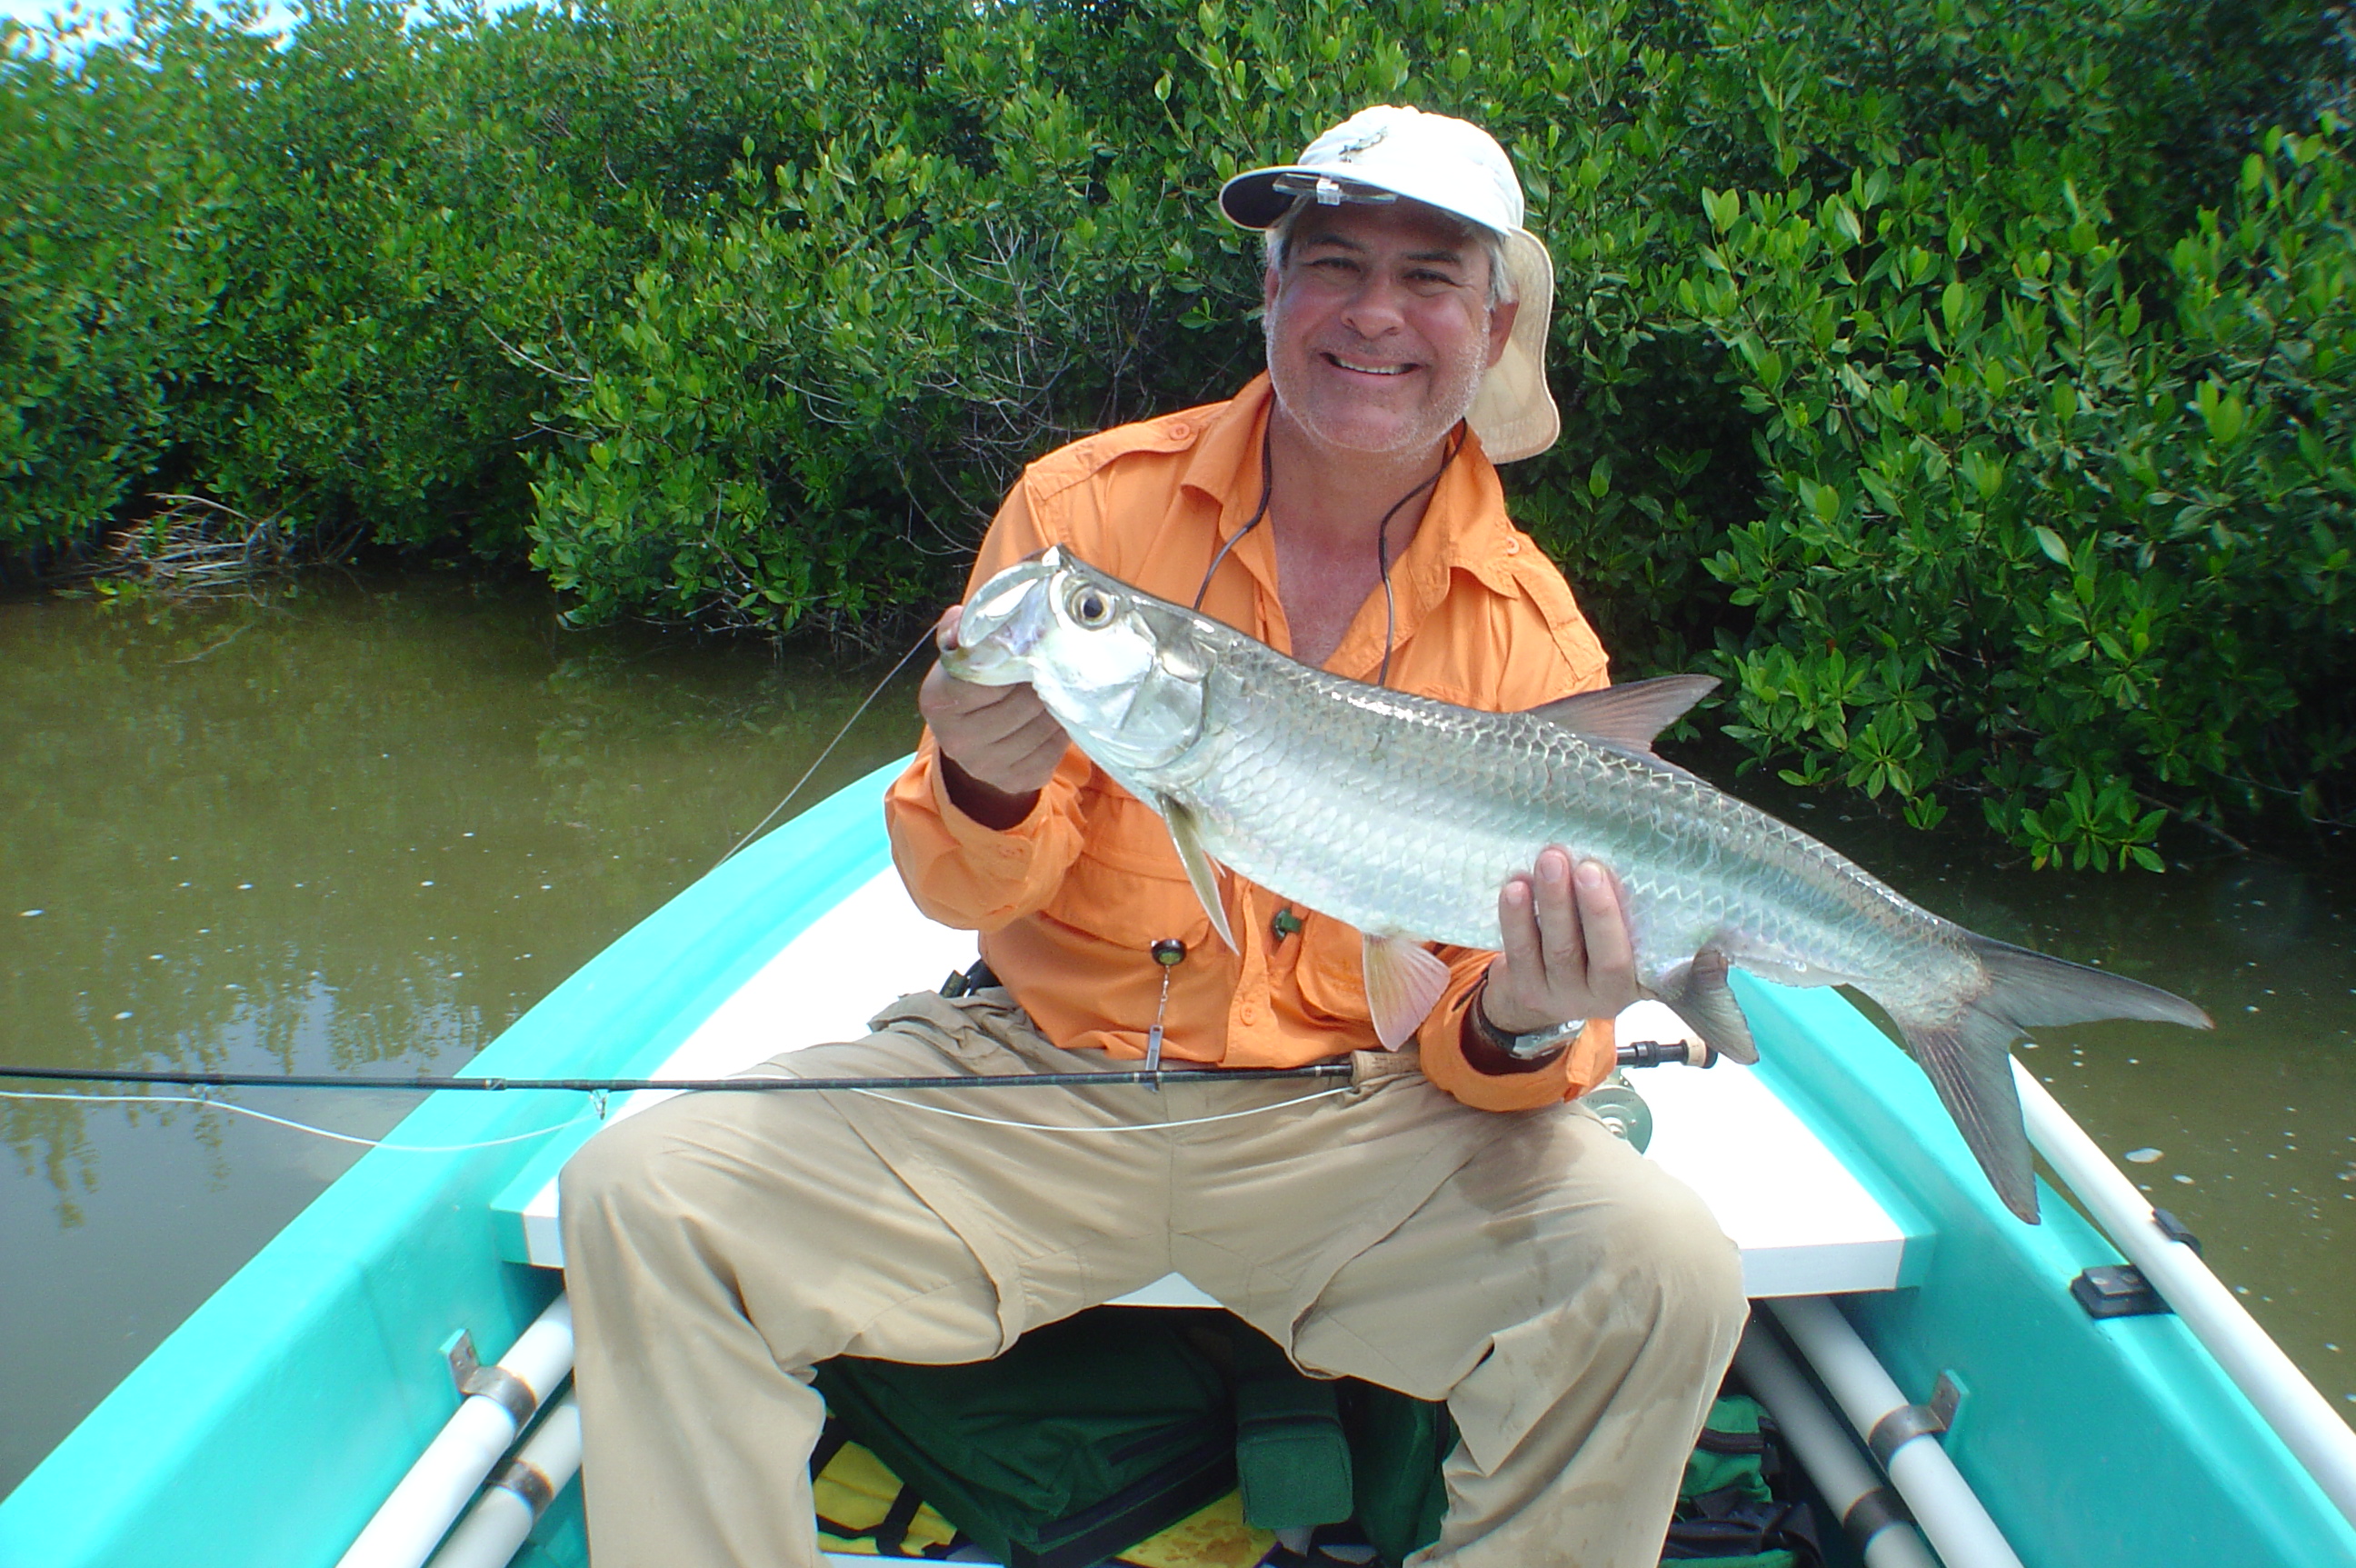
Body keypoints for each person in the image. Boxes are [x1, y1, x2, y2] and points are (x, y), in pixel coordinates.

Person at [561, 105, 1747, 1568]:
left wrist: (1518, 1017)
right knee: (644, 1198)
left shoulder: (1534, 632)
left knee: (1665, 1273)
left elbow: (1479, 1054)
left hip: (1357, 1125)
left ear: (1493, 324)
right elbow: (952, 887)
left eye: (1430, 276)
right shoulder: (1082, 517)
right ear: (1270, 295)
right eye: (1330, 263)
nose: (1374, 314)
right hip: (1041, 1091)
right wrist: (985, 781)